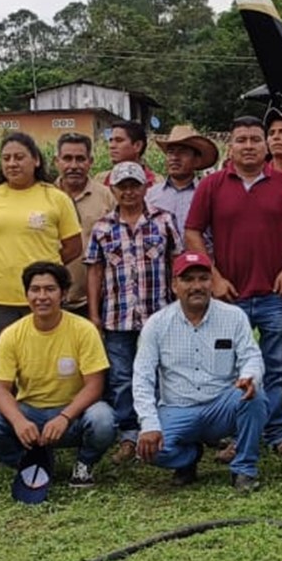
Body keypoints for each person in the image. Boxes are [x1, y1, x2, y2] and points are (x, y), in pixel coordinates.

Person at [185, 116, 282, 458]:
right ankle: (236, 434)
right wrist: (214, 275)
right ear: (231, 146)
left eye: (255, 139)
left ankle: (279, 432)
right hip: (229, 295)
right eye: (242, 140)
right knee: (228, 367)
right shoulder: (212, 186)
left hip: (274, 293)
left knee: (276, 364)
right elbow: (193, 231)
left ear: (266, 145)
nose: (249, 145)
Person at [0, 261, 115, 487]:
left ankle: (84, 464)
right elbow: (0, 389)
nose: (42, 296)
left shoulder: (83, 330)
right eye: (35, 290)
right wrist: (19, 421)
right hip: (30, 412)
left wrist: (64, 417)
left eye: (50, 289)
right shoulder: (12, 334)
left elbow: (94, 386)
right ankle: (30, 463)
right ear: (26, 294)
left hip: (73, 414)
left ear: (64, 293)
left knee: (103, 419)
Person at [133, 252, 266, 492]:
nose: (196, 286)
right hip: (177, 409)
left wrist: (250, 377)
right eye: (188, 280)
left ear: (211, 282)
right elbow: (142, 377)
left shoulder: (233, 316)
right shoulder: (157, 324)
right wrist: (149, 424)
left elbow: (251, 356)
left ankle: (244, 469)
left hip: (220, 405)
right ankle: (189, 457)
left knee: (255, 395)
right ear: (174, 285)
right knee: (149, 452)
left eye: (203, 279)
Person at [85, 161, 183, 465]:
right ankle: (128, 435)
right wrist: (94, 313)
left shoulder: (164, 220)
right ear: (112, 189)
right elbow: (95, 272)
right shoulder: (102, 227)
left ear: (145, 187)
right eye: (122, 186)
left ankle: (159, 428)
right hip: (118, 315)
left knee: (162, 372)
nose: (128, 192)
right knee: (122, 377)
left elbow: (177, 263)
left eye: (134, 185)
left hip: (159, 313)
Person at [0, 132, 82, 358]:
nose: (12, 163)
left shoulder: (56, 198)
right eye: (6, 158)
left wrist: (46, 271)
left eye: (19, 157)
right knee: (5, 362)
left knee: (44, 359)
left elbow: (74, 247)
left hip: (43, 298)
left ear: (35, 160)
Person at [53, 132, 114, 317]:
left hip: (96, 300)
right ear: (57, 161)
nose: (74, 166)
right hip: (51, 299)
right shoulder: (44, 196)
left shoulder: (107, 198)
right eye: (67, 159)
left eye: (80, 159)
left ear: (91, 162)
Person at [147, 124, 219, 234]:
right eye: (170, 152)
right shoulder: (151, 195)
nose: (175, 158)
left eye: (183, 152)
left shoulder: (209, 194)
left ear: (196, 160)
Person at [98, 121, 156, 187]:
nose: (111, 146)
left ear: (138, 146)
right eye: (111, 140)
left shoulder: (156, 184)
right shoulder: (100, 181)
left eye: (119, 140)